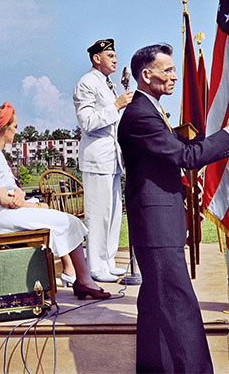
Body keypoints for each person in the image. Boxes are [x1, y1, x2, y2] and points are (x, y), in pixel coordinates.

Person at [118, 43, 229, 373]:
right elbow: (185, 158)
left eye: (175, 70)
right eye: (168, 70)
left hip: (159, 224)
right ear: (147, 76)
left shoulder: (150, 111)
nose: (174, 76)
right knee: (179, 306)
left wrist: (220, 136)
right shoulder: (139, 115)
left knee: (156, 305)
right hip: (156, 227)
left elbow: (181, 148)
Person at [0, 102, 110, 300]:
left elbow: (13, 189)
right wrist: (33, 205)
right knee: (67, 221)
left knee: (68, 220)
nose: (16, 131)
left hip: (9, 212)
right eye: (14, 126)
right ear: (4, 128)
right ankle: (82, 279)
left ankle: (81, 278)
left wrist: (20, 195)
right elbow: (4, 199)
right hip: (2, 217)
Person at [72, 38, 133, 282]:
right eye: (111, 56)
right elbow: (87, 122)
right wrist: (116, 106)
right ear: (97, 58)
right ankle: (95, 266)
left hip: (113, 158)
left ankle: (108, 261)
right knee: (98, 214)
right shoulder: (86, 83)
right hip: (97, 158)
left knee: (114, 212)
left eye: (116, 56)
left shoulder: (108, 85)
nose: (116, 60)